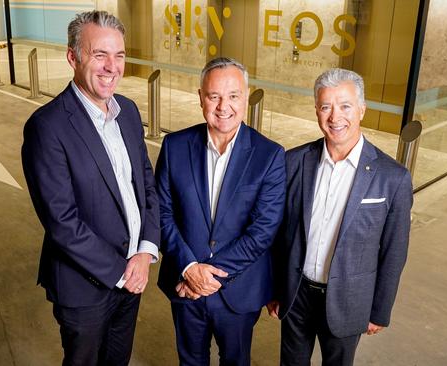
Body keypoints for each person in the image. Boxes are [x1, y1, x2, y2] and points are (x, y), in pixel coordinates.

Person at [21, 11, 159, 366]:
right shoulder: (47, 127)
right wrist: (120, 273)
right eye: (100, 55)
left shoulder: (127, 111)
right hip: (85, 289)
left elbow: (146, 185)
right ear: (73, 57)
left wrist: (144, 252)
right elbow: (62, 223)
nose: (112, 67)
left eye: (120, 56)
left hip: (133, 276)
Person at [267, 68, 413, 366]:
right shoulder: (293, 161)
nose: (335, 117)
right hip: (296, 294)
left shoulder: (393, 177)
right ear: (316, 111)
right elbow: (279, 234)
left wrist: (379, 310)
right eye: (325, 106)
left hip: (349, 299)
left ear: (361, 109)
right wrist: (274, 288)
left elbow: (394, 251)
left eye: (345, 106)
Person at [156, 57, 286, 366]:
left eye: (233, 96)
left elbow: (262, 231)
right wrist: (189, 268)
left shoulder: (269, 155)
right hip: (184, 285)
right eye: (214, 96)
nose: (223, 106)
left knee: (236, 361)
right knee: (190, 360)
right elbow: (161, 212)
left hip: (237, 291)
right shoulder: (175, 146)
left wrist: (206, 277)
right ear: (200, 96)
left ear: (246, 95)